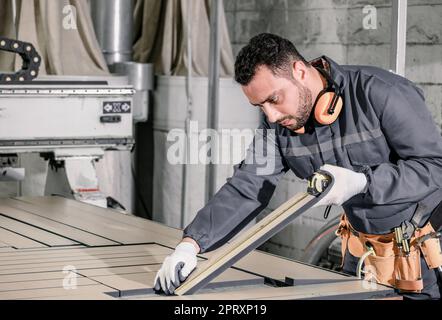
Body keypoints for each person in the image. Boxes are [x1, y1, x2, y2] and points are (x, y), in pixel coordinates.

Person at [154, 33, 442, 299]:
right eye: (260, 107)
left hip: (423, 251)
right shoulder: (278, 125)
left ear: (300, 72)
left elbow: (435, 167)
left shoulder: (379, 93)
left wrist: (363, 183)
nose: (271, 115)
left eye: (274, 99)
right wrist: (191, 245)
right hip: (362, 253)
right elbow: (248, 186)